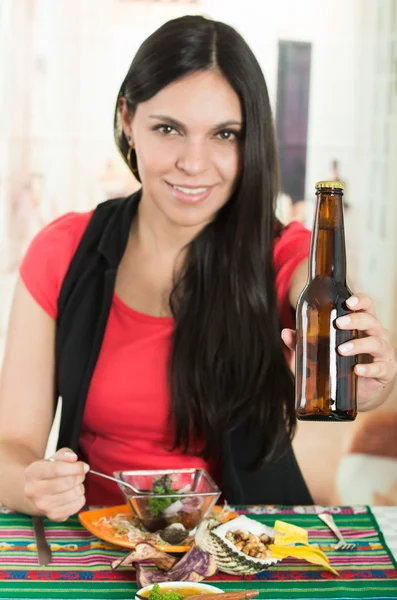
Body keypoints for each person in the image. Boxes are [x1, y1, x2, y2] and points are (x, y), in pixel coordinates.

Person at [0, 16, 396, 522]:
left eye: (225, 134)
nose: (193, 162)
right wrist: (29, 483)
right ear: (127, 119)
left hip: (242, 547)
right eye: (168, 129)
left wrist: (363, 371)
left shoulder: (282, 253)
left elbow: (320, 299)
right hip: (100, 546)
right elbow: (12, 445)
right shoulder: (63, 251)